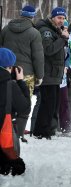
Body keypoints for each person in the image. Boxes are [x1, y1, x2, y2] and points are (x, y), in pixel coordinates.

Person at [0, 5, 44, 142]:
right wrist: (40, 75)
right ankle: (18, 134)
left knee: (5, 101)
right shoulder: (34, 33)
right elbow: (38, 56)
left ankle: (5, 129)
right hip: (26, 72)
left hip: (5, 69)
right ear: (32, 16)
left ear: (21, 14)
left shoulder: (6, 29)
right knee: (24, 104)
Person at [33, 7, 69, 139]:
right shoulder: (46, 31)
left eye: (63, 18)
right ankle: (41, 131)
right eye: (59, 18)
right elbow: (48, 50)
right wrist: (63, 39)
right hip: (48, 73)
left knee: (53, 104)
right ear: (52, 17)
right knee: (47, 104)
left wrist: (62, 37)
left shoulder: (55, 30)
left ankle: (46, 129)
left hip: (55, 74)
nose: (62, 20)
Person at [0, 48, 30, 176]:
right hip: (2, 140)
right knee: (17, 167)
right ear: (10, 67)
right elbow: (25, 108)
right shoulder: (9, 85)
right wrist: (21, 82)